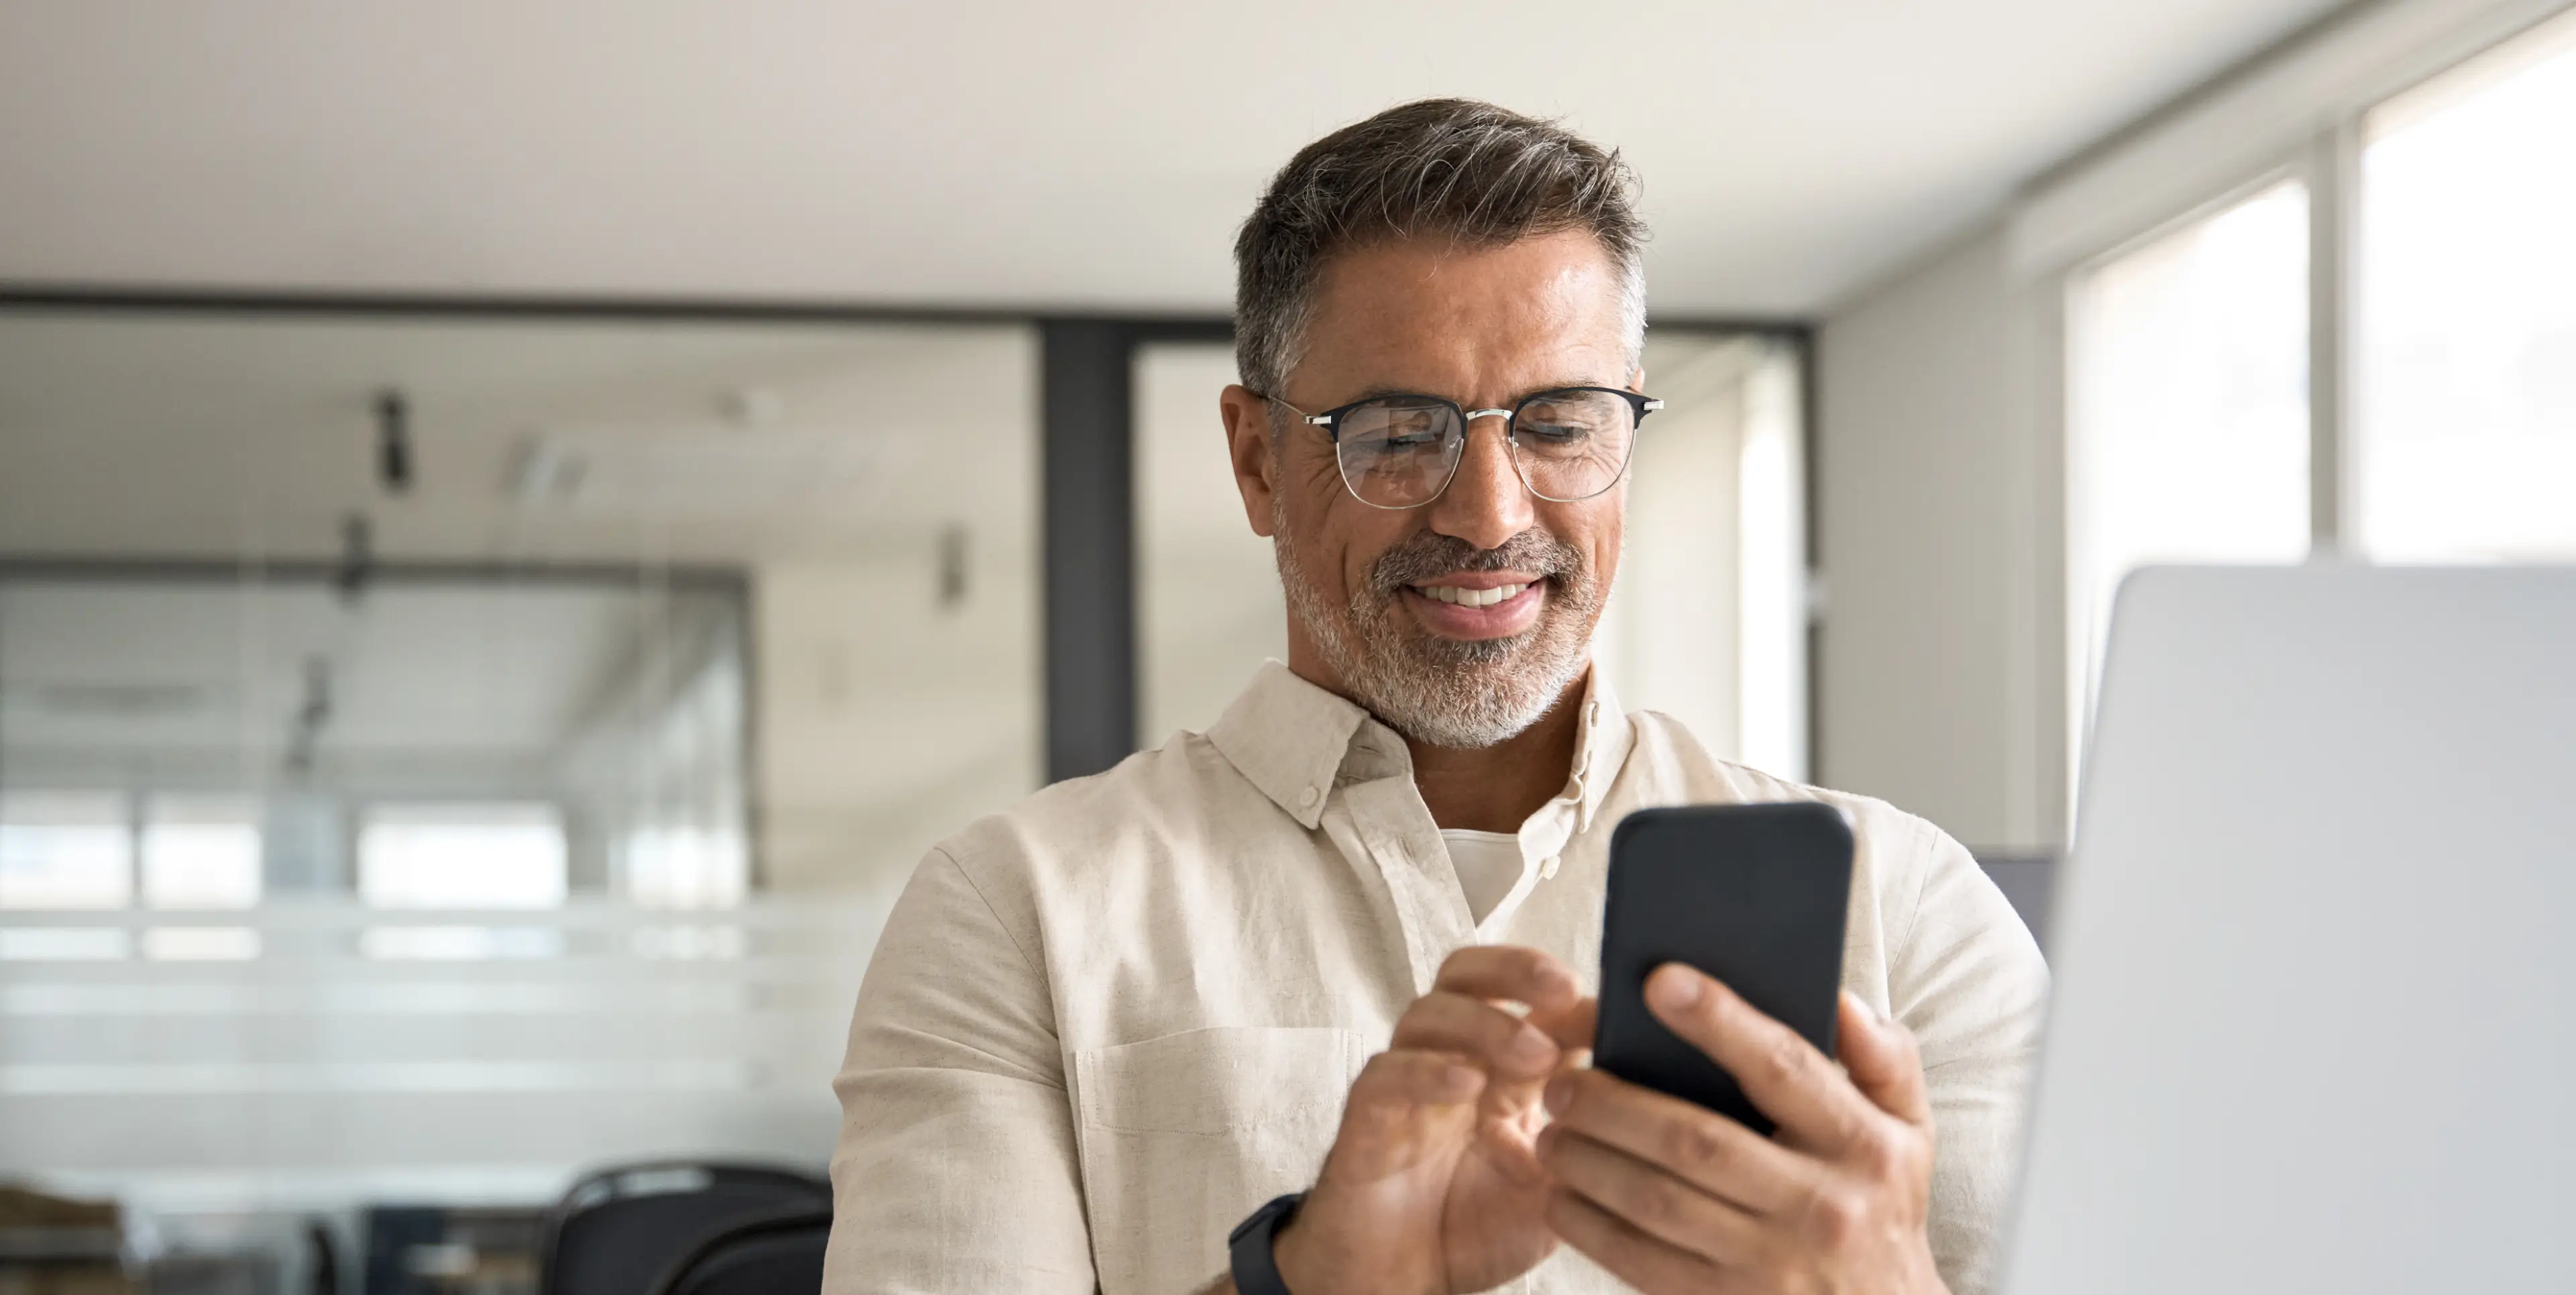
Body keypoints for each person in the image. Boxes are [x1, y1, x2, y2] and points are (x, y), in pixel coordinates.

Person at [822, 98, 2046, 1295]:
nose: (1491, 514)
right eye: (1399, 432)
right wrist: (1306, 1283)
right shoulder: (1014, 914)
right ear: (1259, 461)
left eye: (1560, 424)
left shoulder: (1911, 911)